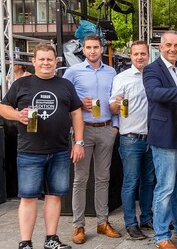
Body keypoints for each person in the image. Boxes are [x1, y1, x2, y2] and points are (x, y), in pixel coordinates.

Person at [0, 43, 84, 249]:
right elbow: (3, 107)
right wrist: (17, 115)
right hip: (30, 151)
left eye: (50, 59)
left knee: (54, 196)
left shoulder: (65, 85)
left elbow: (76, 114)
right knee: (28, 198)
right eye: (42, 59)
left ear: (56, 61)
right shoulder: (21, 84)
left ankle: (51, 240)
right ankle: (25, 242)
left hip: (60, 150)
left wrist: (79, 143)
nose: (46, 63)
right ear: (34, 61)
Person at [63, 34, 121, 244]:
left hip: (106, 128)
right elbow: (64, 98)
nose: (92, 51)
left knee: (103, 178)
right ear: (84, 50)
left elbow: (116, 98)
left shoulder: (112, 72)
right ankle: (78, 226)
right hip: (83, 130)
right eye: (88, 48)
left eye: (96, 47)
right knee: (80, 179)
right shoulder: (73, 71)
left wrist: (115, 126)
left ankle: (102, 221)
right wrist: (79, 102)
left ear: (102, 49)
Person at [143, 31, 177, 249]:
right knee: (165, 188)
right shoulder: (151, 69)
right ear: (160, 46)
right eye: (169, 45)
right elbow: (155, 93)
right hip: (164, 135)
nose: (173, 49)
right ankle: (161, 236)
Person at [109, 41, 155, 240]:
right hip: (130, 139)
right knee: (130, 183)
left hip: (153, 138)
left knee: (149, 182)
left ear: (148, 55)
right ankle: (130, 223)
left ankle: (146, 217)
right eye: (136, 54)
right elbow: (111, 107)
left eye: (143, 53)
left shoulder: (155, 75)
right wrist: (115, 104)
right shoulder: (122, 78)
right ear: (131, 55)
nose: (140, 57)